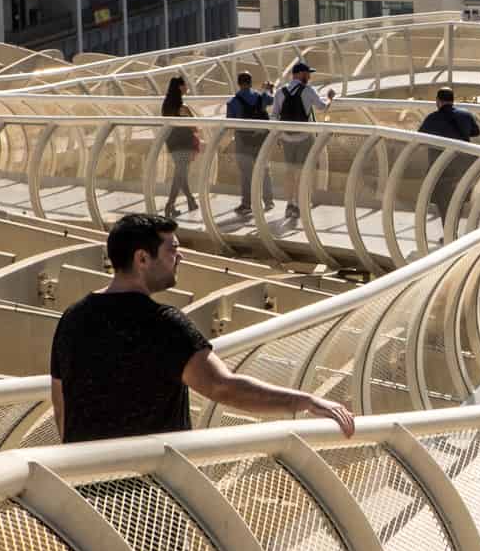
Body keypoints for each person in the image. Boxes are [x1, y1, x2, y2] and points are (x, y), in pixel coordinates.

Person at [50, 213, 355, 443]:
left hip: (85, 493)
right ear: (142, 258)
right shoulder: (164, 324)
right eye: (172, 249)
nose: (179, 256)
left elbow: (62, 410)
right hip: (151, 494)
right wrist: (305, 401)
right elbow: (223, 387)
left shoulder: (71, 319)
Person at [271, 62, 335, 226]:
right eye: (307, 73)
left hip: (286, 138)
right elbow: (322, 107)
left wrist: (278, 135)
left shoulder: (280, 92)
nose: (309, 76)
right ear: (299, 74)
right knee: (301, 171)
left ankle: (289, 203)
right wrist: (330, 98)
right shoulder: (308, 90)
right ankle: (298, 205)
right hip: (303, 138)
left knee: (289, 172)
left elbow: (274, 116)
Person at [418, 88, 480, 221]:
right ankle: (454, 228)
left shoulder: (432, 118)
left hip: (440, 166)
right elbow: (475, 132)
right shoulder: (466, 115)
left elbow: (420, 137)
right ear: (453, 100)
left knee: (443, 200)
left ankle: (448, 230)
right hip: (462, 164)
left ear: (438, 101)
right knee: (460, 196)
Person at [223, 72, 276, 217]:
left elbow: (230, 123)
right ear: (251, 83)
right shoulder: (261, 97)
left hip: (243, 141)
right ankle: (269, 201)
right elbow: (272, 100)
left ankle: (246, 204)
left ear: (239, 83)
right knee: (264, 170)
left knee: (246, 174)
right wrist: (268, 89)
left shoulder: (232, 102)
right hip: (261, 139)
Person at [160, 76, 200, 217]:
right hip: (184, 144)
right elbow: (194, 127)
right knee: (180, 175)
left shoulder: (166, 106)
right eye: (185, 85)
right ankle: (169, 205)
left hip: (172, 143)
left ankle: (190, 201)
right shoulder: (183, 108)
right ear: (179, 87)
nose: (187, 87)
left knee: (180, 174)